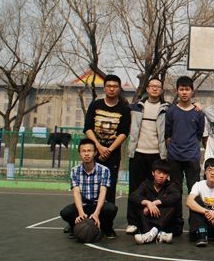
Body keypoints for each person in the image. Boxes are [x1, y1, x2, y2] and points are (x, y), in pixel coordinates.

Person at [125, 77, 170, 234]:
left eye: (158, 86)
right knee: (135, 189)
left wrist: (196, 104)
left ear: (161, 90)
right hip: (138, 153)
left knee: (156, 190)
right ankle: (133, 222)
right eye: (152, 86)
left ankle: (152, 221)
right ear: (147, 89)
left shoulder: (167, 109)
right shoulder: (135, 107)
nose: (155, 88)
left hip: (157, 154)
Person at [165, 76, 205, 234]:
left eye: (187, 89)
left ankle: (195, 225)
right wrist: (174, 148)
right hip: (174, 157)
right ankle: (177, 224)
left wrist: (190, 147)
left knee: (194, 191)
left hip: (192, 157)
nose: (184, 92)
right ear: (177, 91)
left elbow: (199, 134)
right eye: (181, 89)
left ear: (192, 91)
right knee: (175, 192)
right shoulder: (171, 111)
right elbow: (168, 134)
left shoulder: (198, 112)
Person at [83, 74, 131, 205]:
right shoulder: (95, 105)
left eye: (115, 86)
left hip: (112, 155)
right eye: (109, 86)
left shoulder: (124, 109)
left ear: (119, 89)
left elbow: (123, 133)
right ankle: (89, 214)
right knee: (91, 185)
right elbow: (87, 128)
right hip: (94, 153)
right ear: (104, 88)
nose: (112, 89)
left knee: (109, 187)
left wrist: (109, 150)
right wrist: (98, 147)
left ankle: (107, 216)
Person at [60, 138, 118, 239]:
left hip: (97, 204)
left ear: (95, 153)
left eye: (89, 151)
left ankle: (107, 228)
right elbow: (76, 193)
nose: (86, 154)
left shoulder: (104, 170)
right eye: (83, 151)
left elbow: (103, 192)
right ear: (80, 153)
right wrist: (81, 213)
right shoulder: (74, 171)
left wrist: (96, 213)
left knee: (111, 209)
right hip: (83, 205)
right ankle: (75, 227)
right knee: (65, 212)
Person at [129, 159, 180, 244]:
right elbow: (133, 196)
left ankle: (152, 233)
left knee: (172, 206)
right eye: (158, 173)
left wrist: (155, 203)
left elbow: (176, 195)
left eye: (164, 173)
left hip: (165, 222)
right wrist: (147, 203)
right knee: (138, 204)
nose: (161, 176)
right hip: (148, 219)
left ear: (167, 175)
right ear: (153, 173)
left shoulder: (170, 185)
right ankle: (160, 235)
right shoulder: (146, 184)